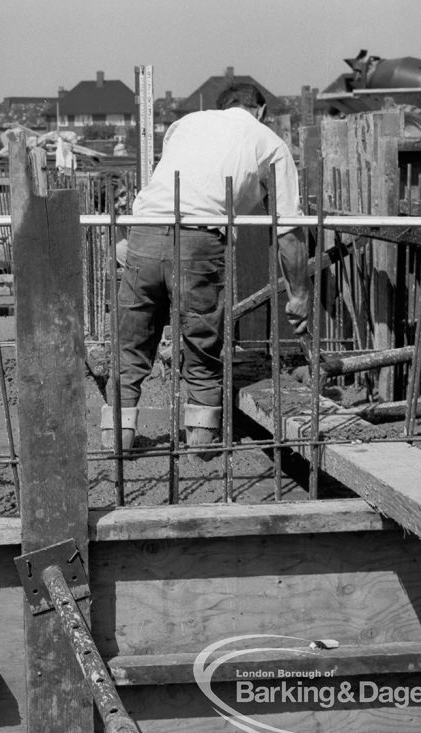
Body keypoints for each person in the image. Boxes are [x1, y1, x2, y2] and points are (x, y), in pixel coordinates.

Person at [102, 84, 310, 458]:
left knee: (131, 345)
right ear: (259, 111)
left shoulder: (186, 124)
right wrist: (298, 295)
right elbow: (289, 232)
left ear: (222, 107)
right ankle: (200, 447)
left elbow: (173, 179)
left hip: (143, 232)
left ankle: (117, 442)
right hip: (198, 241)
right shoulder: (269, 142)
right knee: (201, 348)